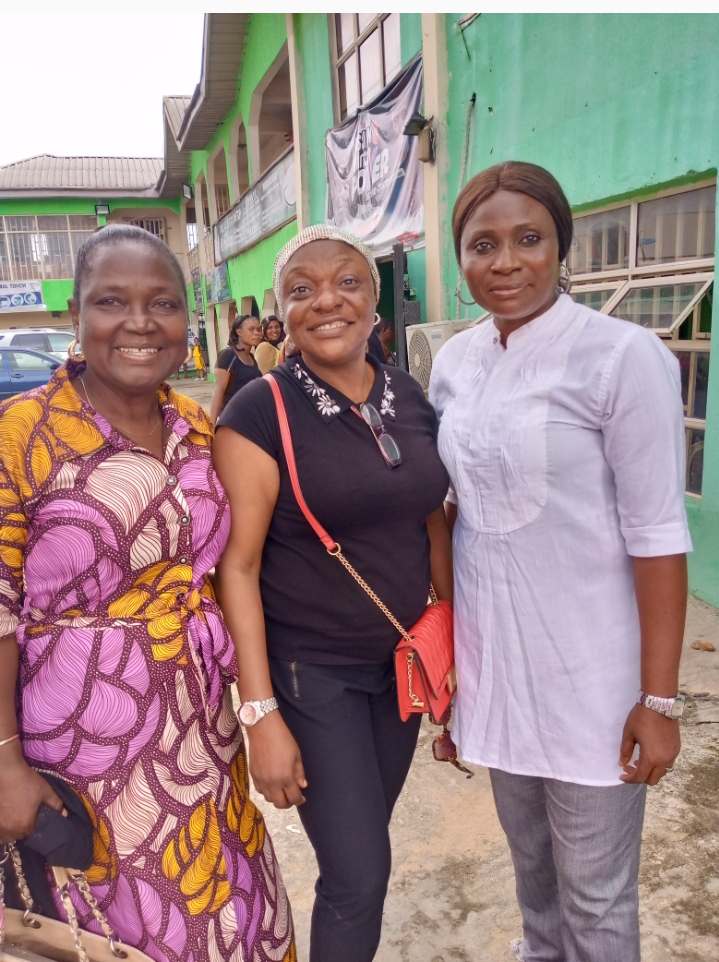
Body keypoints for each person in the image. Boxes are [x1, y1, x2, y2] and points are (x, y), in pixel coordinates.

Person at [0, 224, 295, 962]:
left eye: (161, 303)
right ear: (77, 316)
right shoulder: (21, 432)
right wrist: (4, 761)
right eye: (112, 301)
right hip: (84, 744)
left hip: (200, 730)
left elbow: (229, 567)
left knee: (231, 912)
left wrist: (259, 710)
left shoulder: (195, 426)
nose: (138, 322)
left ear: (185, 321)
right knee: (121, 932)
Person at [430, 161, 691, 962]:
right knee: (534, 881)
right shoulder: (453, 362)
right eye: (481, 244)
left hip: (593, 683)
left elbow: (656, 534)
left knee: (597, 898)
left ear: (560, 247)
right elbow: (449, 511)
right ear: (460, 258)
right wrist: (448, 676)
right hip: (499, 674)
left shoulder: (620, 356)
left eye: (527, 239)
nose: (504, 261)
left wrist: (659, 699)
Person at [212, 224, 453, 962]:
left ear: (374, 302)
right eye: (302, 288)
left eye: (347, 282)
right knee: (359, 874)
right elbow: (237, 569)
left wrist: (451, 644)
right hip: (312, 675)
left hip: (400, 669)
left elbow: (430, 519)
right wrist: (261, 715)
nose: (327, 301)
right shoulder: (258, 411)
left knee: (363, 849)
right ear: (281, 313)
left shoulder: (407, 394)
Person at [209, 313, 263, 424]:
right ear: (239, 332)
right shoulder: (229, 355)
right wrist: (212, 424)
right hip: (233, 420)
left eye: (258, 329)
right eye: (251, 329)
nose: (257, 333)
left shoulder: (251, 357)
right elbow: (219, 390)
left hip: (251, 418)